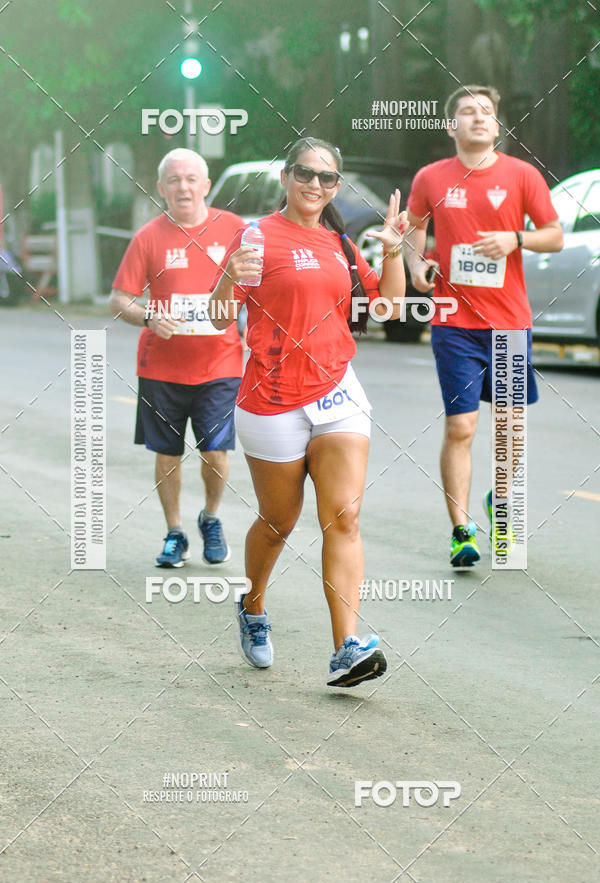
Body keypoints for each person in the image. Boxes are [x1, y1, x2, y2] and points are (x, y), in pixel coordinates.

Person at [209, 137, 407, 687]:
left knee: (344, 517)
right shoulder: (256, 237)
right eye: (305, 173)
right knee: (278, 522)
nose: (314, 185)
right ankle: (252, 606)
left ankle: (346, 646)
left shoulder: (342, 244)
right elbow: (218, 313)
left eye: (326, 178)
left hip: (338, 393)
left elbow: (388, 307)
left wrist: (390, 250)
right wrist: (228, 277)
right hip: (271, 399)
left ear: (336, 187)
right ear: (286, 177)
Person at [404, 85, 563, 567]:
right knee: (461, 426)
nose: (478, 118)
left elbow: (554, 235)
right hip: (455, 323)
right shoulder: (432, 177)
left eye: (486, 113)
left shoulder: (522, 176)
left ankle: (500, 504)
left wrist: (516, 239)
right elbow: (415, 226)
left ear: (497, 126)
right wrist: (416, 267)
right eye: (467, 112)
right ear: (451, 127)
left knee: (510, 429)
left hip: (510, 324)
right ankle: (461, 529)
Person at [109, 148, 245, 568]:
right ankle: (174, 533)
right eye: (174, 180)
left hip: (221, 363)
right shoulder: (148, 236)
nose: (183, 187)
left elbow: (259, 288)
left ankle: (211, 517)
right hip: (161, 367)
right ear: (161, 188)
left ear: (206, 185)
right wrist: (149, 316)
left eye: (191, 179)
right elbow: (119, 298)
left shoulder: (235, 229)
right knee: (167, 453)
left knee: (215, 452)